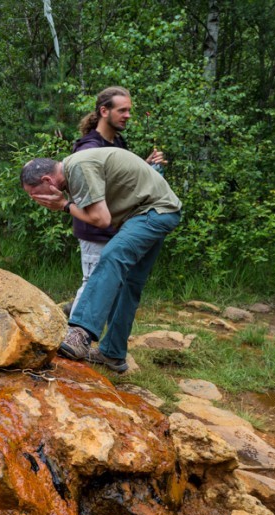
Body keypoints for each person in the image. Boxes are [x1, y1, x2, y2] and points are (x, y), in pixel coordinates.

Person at [21, 147, 181, 372]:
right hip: (159, 211)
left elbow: (101, 219)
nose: (36, 199)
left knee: (112, 256)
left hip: (151, 212)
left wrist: (64, 206)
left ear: (48, 180)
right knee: (128, 284)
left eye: (35, 193)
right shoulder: (75, 167)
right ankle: (112, 354)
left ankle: (80, 333)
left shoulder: (77, 167)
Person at [67, 86, 166, 315]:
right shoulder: (89, 148)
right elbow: (92, 191)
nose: (128, 116)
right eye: (122, 110)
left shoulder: (117, 142)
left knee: (110, 286)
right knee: (93, 285)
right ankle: (72, 338)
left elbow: (116, 180)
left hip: (114, 226)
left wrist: (145, 165)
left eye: (129, 110)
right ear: (104, 111)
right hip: (94, 229)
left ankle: (83, 334)